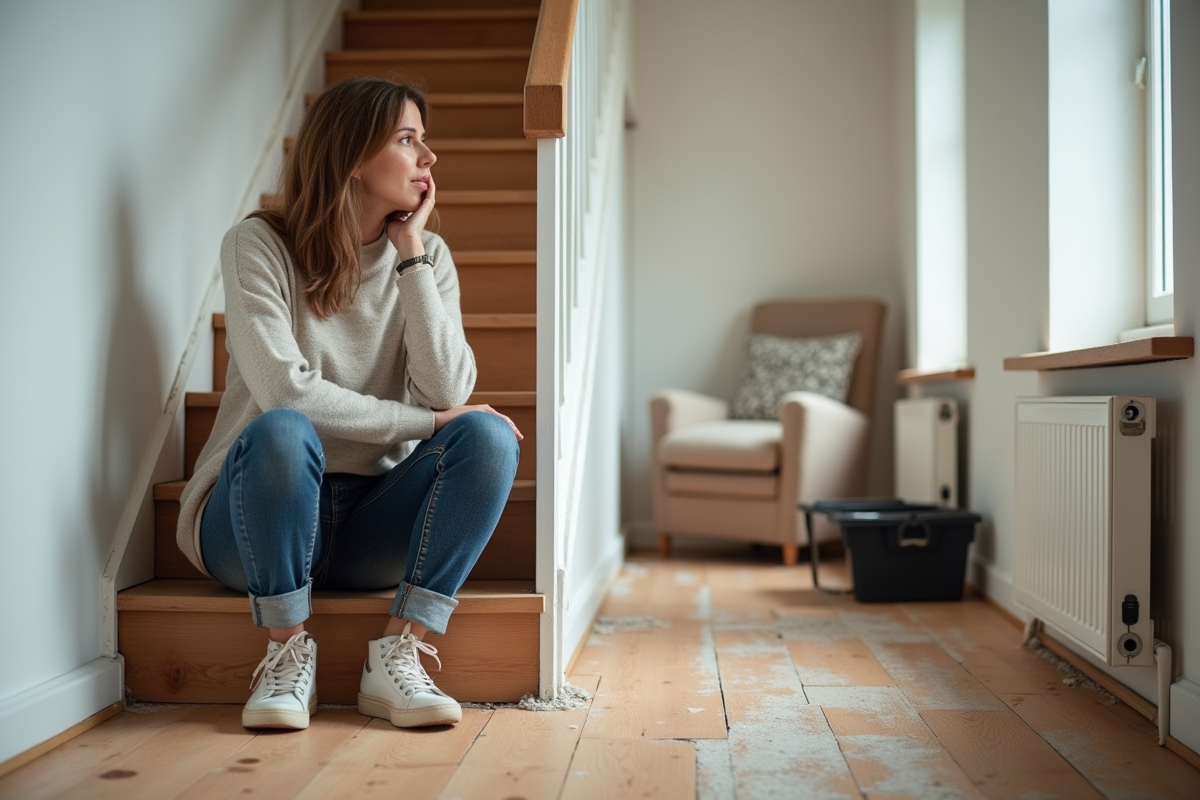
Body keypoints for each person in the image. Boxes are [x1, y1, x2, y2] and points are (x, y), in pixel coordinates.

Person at [175, 76, 522, 731]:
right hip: (255, 521)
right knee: (281, 430)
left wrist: (411, 256)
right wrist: (426, 424)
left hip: (369, 523)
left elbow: (449, 393)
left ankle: (402, 650)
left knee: (489, 437)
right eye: (407, 139)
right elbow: (288, 394)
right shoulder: (257, 246)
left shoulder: (429, 257)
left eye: (424, 140)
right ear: (354, 154)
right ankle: (284, 654)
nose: (429, 158)